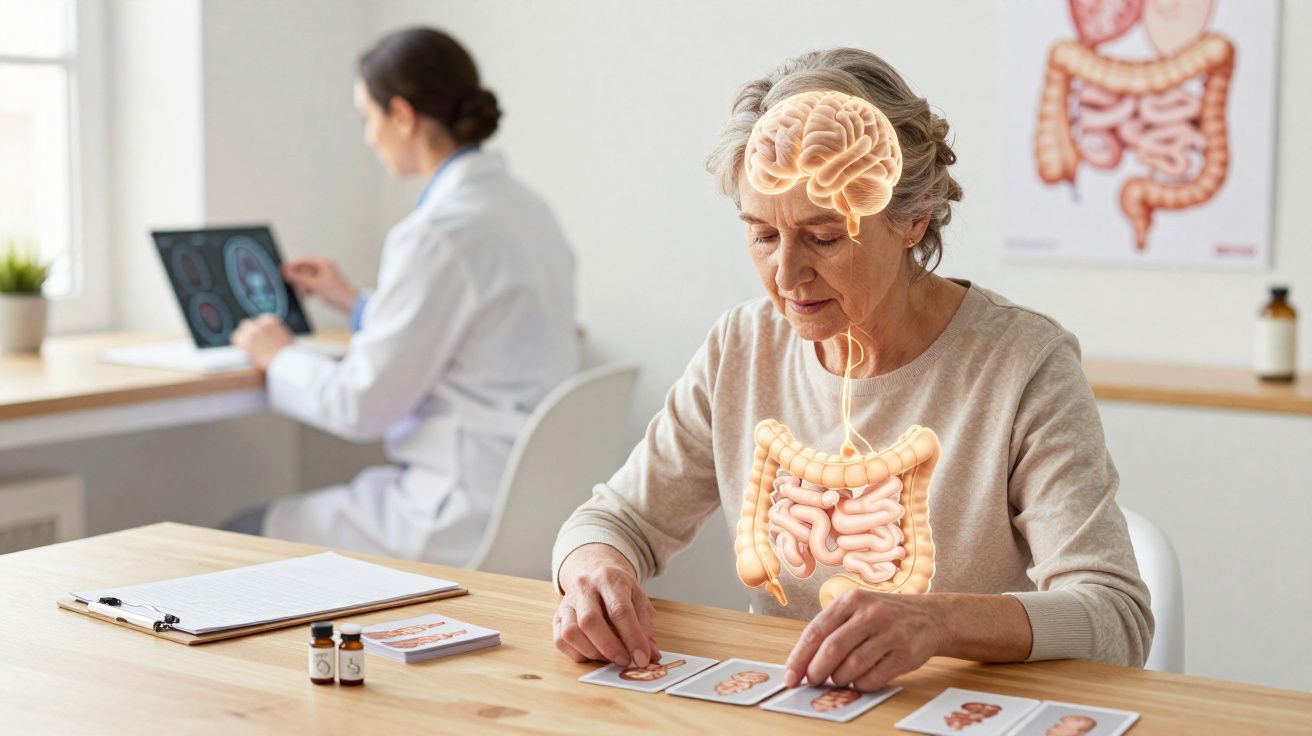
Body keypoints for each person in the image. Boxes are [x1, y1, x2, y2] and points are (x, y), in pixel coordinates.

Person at [550, 48, 1152, 692]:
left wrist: (938, 622)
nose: (786, 276)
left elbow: (1116, 616)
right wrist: (592, 569)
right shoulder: (742, 346)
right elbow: (615, 521)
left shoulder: (1023, 365)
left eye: (825, 236)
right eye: (761, 234)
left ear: (912, 219)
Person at [228, 27, 577, 564]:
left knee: (234, 533)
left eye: (368, 117)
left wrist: (280, 357)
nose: (368, 137)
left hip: (454, 512)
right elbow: (475, 334)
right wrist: (357, 303)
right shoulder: (528, 211)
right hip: (534, 506)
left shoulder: (435, 233)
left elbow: (360, 405)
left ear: (402, 116)